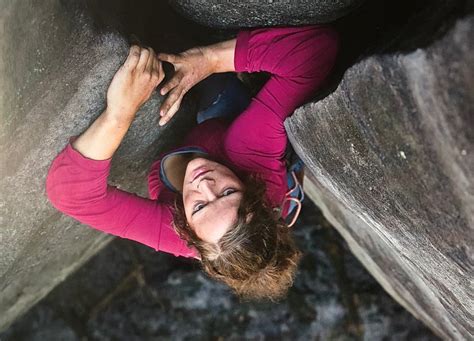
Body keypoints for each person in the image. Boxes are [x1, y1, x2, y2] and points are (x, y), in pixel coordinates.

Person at [46, 25, 339, 300]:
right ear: (250, 190)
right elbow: (318, 51)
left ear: (187, 232)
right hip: (232, 129)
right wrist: (209, 60)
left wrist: (120, 113)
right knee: (192, 52)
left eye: (199, 206)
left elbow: (71, 196)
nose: (204, 184)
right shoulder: (250, 151)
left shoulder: (181, 234)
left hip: (218, 154)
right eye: (227, 192)